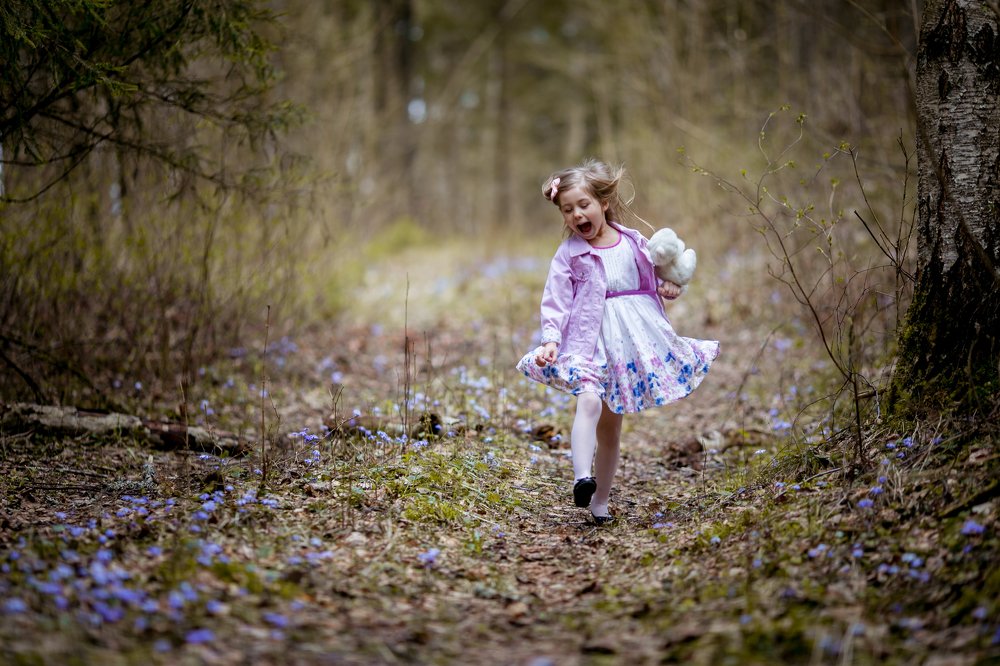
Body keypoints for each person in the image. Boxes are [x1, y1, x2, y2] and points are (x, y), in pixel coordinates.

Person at [516, 158, 719, 524]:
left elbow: (658, 278)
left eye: (583, 205)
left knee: (611, 427)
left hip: (629, 344)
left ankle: (601, 502)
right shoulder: (569, 254)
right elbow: (556, 300)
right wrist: (550, 339)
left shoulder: (632, 242)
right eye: (567, 210)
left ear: (603, 204)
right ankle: (582, 479)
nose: (577, 214)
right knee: (589, 401)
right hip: (587, 343)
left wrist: (671, 287)